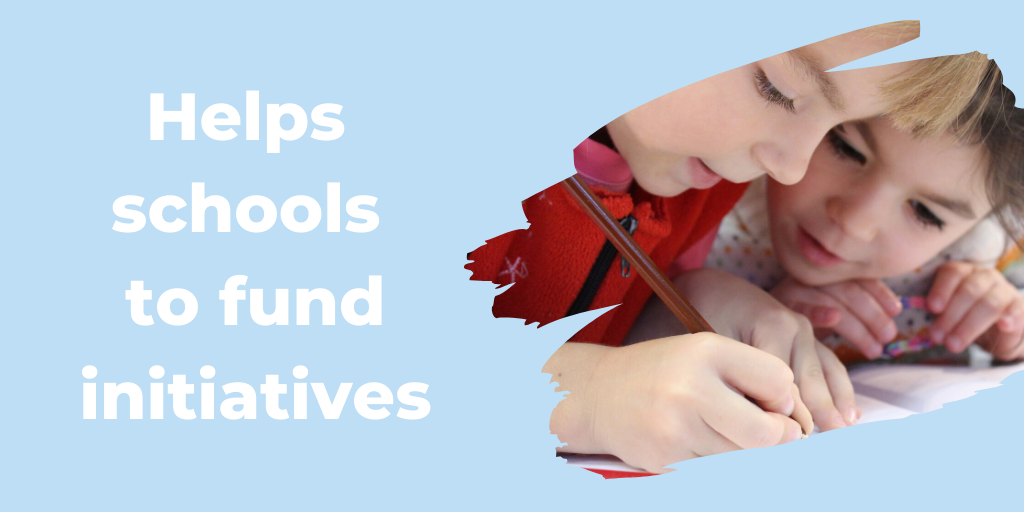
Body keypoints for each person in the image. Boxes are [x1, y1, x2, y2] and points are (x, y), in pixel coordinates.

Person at [467, 22, 994, 473]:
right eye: (778, 91)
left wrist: (690, 311)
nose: (790, 168)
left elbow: (603, 334)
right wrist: (590, 398)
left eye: (832, 128)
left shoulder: (701, 180)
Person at [752, 63, 1024, 364]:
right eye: (846, 148)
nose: (855, 223)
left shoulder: (981, 258)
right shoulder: (717, 179)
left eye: (925, 213)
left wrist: (1008, 334)